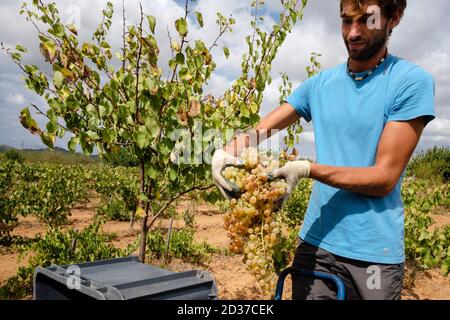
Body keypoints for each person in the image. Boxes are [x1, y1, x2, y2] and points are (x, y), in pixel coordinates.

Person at [211, 0, 435, 300]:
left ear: (394, 18)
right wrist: (224, 152)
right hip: (315, 245)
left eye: (367, 20)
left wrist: (307, 169)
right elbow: (263, 128)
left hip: (373, 256)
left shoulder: (409, 82)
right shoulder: (320, 85)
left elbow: (384, 178)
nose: (353, 32)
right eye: (346, 21)